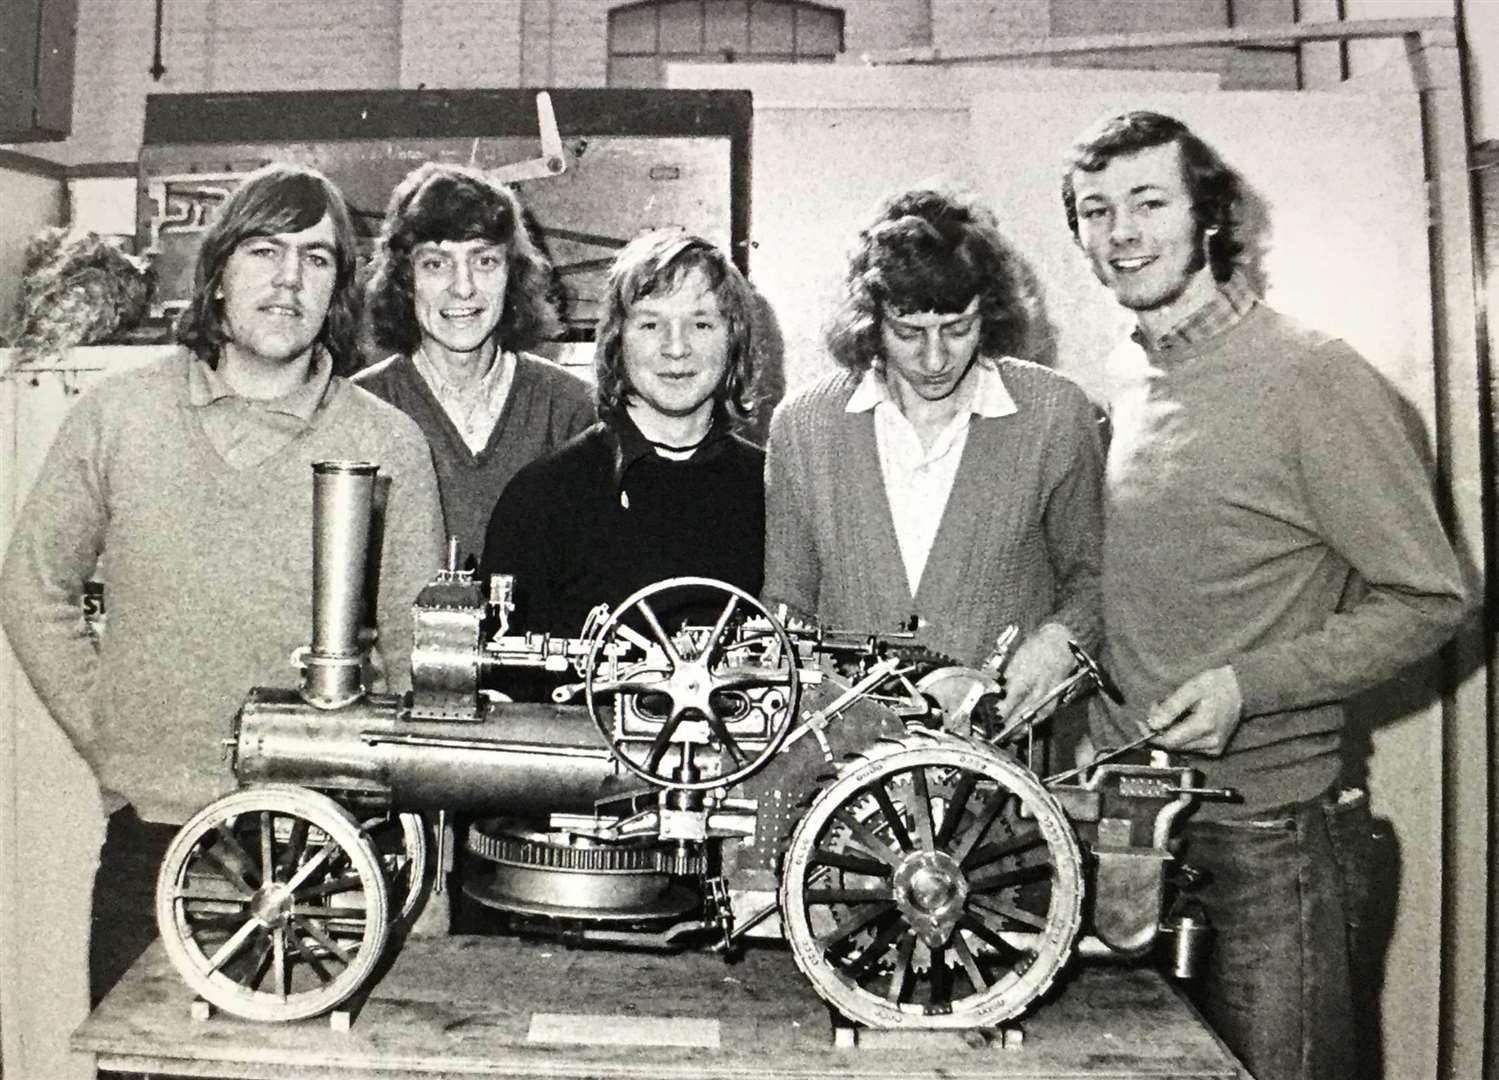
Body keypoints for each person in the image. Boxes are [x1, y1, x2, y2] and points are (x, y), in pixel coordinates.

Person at [1062, 110, 1469, 1080]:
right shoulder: (1122, 377)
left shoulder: (1314, 379)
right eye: (1093, 210)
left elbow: (1430, 598)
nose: (1119, 232)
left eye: (1147, 202)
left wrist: (1249, 685)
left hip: (1268, 839)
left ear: (1207, 213)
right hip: (1125, 825)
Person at [0, 162, 445, 1007]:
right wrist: (113, 734)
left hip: (330, 852)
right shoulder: (118, 416)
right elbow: (32, 585)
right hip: (158, 844)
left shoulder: (387, 442)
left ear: (339, 291)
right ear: (217, 275)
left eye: (317, 260)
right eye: (264, 251)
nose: (288, 279)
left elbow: (421, 658)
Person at [762, 187, 1103, 722]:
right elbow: (787, 604)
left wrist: (1063, 640)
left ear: (988, 314)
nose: (936, 358)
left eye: (958, 328)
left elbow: (1095, 579)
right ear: (870, 319)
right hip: (853, 772)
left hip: (1009, 764)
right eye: (909, 332)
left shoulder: (1056, 415)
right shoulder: (803, 426)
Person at [479, 229, 764, 641]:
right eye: (651, 324)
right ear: (617, 340)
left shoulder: (771, 491)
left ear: (733, 338)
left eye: (701, 323)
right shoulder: (542, 498)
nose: (676, 347)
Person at [358, 162, 595, 565]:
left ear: (513, 274)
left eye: (484, 261)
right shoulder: (360, 406)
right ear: (404, 279)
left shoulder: (574, 409)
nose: (463, 288)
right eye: (436, 263)